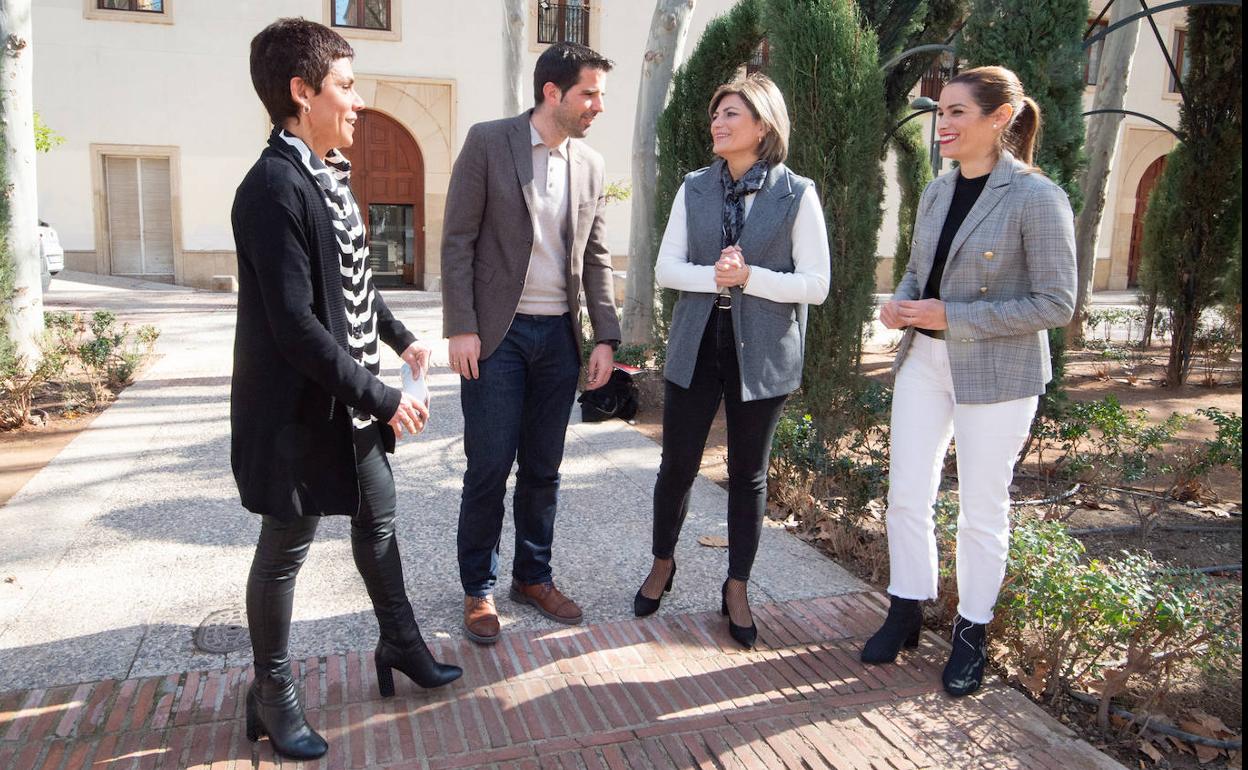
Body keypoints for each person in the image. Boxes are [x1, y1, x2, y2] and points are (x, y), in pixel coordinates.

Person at [231, 18, 461, 760]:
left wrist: (400, 338)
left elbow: (353, 280)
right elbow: (296, 326)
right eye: (347, 87)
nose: (359, 102)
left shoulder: (326, 174)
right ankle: (271, 696)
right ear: (302, 92)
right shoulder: (272, 189)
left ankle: (400, 643)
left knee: (379, 519)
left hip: (348, 404)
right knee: (285, 548)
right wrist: (385, 398)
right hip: (298, 413)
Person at [862, 66, 1076, 697]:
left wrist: (952, 316)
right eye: (941, 112)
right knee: (907, 493)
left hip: (999, 372)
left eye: (957, 112)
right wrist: (900, 304)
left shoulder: (1037, 197)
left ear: (999, 118)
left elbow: (1056, 303)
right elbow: (917, 271)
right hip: (923, 361)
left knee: (982, 507)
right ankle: (905, 606)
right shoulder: (938, 190)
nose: (944, 124)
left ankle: (971, 631)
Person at [632, 74, 830, 649]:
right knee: (677, 465)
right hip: (697, 342)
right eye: (716, 114)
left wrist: (750, 278)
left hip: (763, 351)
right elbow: (667, 269)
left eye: (732, 115)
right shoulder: (694, 187)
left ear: (763, 126)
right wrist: (718, 278)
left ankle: (737, 585)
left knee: (748, 474)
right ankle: (662, 563)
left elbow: (815, 285)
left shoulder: (797, 193)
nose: (718, 123)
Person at [441, 43, 621, 645]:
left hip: (559, 339)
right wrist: (461, 325)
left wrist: (605, 337)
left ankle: (533, 577)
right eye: (589, 93)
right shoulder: (489, 141)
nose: (598, 106)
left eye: (600, 95)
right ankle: (479, 587)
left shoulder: (590, 163)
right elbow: (457, 239)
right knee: (489, 466)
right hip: (499, 336)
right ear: (552, 92)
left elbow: (596, 258)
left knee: (544, 469)